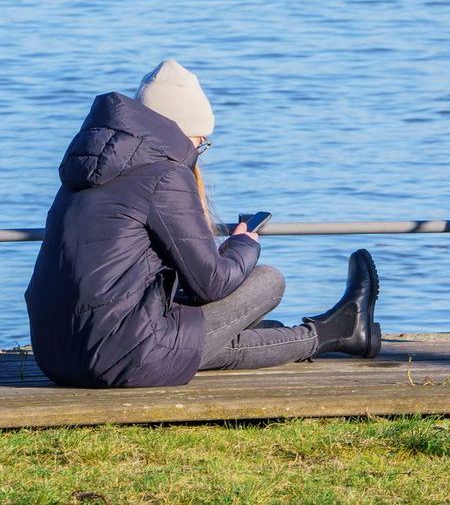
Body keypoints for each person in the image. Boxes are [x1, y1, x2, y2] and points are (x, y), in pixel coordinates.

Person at [25, 59, 381, 388]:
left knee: (206, 341)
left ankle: (343, 331)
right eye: (201, 141)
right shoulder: (163, 173)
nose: (199, 150)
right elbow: (211, 284)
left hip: (57, 354)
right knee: (268, 281)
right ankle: (336, 331)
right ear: (182, 131)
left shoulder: (85, 170)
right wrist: (245, 243)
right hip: (123, 355)